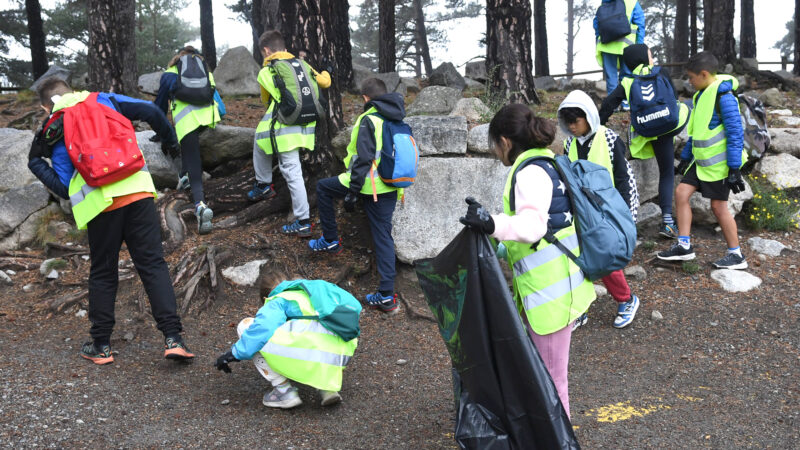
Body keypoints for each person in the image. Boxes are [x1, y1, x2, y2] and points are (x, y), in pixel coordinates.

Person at [28, 77, 195, 365]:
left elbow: (64, 180)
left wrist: (44, 170)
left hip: (99, 205)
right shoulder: (102, 99)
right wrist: (169, 141)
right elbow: (152, 112)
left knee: (104, 272)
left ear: (46, 106)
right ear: (71, 91)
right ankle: (173, 338)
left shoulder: (55, 125)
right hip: (138, 190)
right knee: (153, 265)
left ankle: (101, 346)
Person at [459, 103, 597, 418]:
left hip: (551, 298)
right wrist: (500, 246)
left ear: (505, 141)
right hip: (560, 289)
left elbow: (534, 227)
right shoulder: (549, 162)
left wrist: (491, 224)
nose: (495, 152)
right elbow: (552, 230)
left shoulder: (530, 172)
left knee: (551, 380)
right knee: (546, 374)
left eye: (494, 145)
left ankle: (557, 439)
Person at [307, 78, 403, 313]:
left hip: (369, 184)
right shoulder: (397, 118)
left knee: (323, 187)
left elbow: (363, 159)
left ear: (365, 98)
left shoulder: (368, 118)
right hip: (392, 185)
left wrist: (352, 192)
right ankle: (386, 296)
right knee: (383, 237)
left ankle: (330, 240)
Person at [214, 268, 360, 409]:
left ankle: (284, 392)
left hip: (313, 352)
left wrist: (234, 353)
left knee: (246, 326)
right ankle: (327, 388)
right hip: (341, 353)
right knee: (317, 333)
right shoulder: (309, 293)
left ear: (266, 298)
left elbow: (261, 331)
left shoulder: (278, 299)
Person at [657, 51, 748, 269]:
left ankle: (736, 255)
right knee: (681, 193)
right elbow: (696, 133)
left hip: (719, 165)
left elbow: (736, 133)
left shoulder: (724, 97)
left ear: (704, 74)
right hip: (701, 163)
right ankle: (684, 246)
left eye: (691, 77)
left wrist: (734, 168)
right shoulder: (700, 96)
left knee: (718, 207)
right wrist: (685, 159)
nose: (689, 82)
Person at [558, 90, 640, 329]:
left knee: (604, 256)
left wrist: (623, 216)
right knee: (576, 256)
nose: (572, 127)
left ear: (588, 117)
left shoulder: (611, 139)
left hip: (610, 209)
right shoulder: (569, 144)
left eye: (576, 121)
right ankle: (580, 308)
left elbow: (624, 179)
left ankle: (626, 300)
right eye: (568, 122)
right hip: (582, 210)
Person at [598, 43, 690, 238]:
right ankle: (667, 222)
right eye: (650, 55)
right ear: (644, 58)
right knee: (666, 173)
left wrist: (599, 124)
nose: (652, 58)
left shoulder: (628, 81)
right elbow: (673, 98)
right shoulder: (661, 72)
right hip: (667, 126)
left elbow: (608, 104)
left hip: (646, 130)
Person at [246, 30, 331, 238]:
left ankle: (300, 218)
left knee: (291, 171)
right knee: (260, 138)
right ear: (284, 48)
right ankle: (266, 185)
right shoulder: (302, 64)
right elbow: (325, 83)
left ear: (266, 50)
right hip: (307, 126)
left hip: (286, 126)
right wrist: (328, 70)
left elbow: (267, 101)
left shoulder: (268, 70)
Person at [154, 46, 222, 235]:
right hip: (209, 119)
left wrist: (160, 132)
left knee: (194, 162)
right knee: (189, 158)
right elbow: (213, 93)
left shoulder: (170, 73)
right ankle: (184, 177)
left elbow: (159, 107)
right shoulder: (204, 70)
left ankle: (200, 205)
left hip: (188, 120)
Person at [594, 0, 646, 110]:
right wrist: (639, 44)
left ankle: (614, 105)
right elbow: (640, 23)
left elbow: (596, 23)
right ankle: (626, 103)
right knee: (627, 75)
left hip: (606, 45)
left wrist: (598, 39)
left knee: (611, 76)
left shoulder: (604, 3)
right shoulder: (632, 3)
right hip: (627, 45)